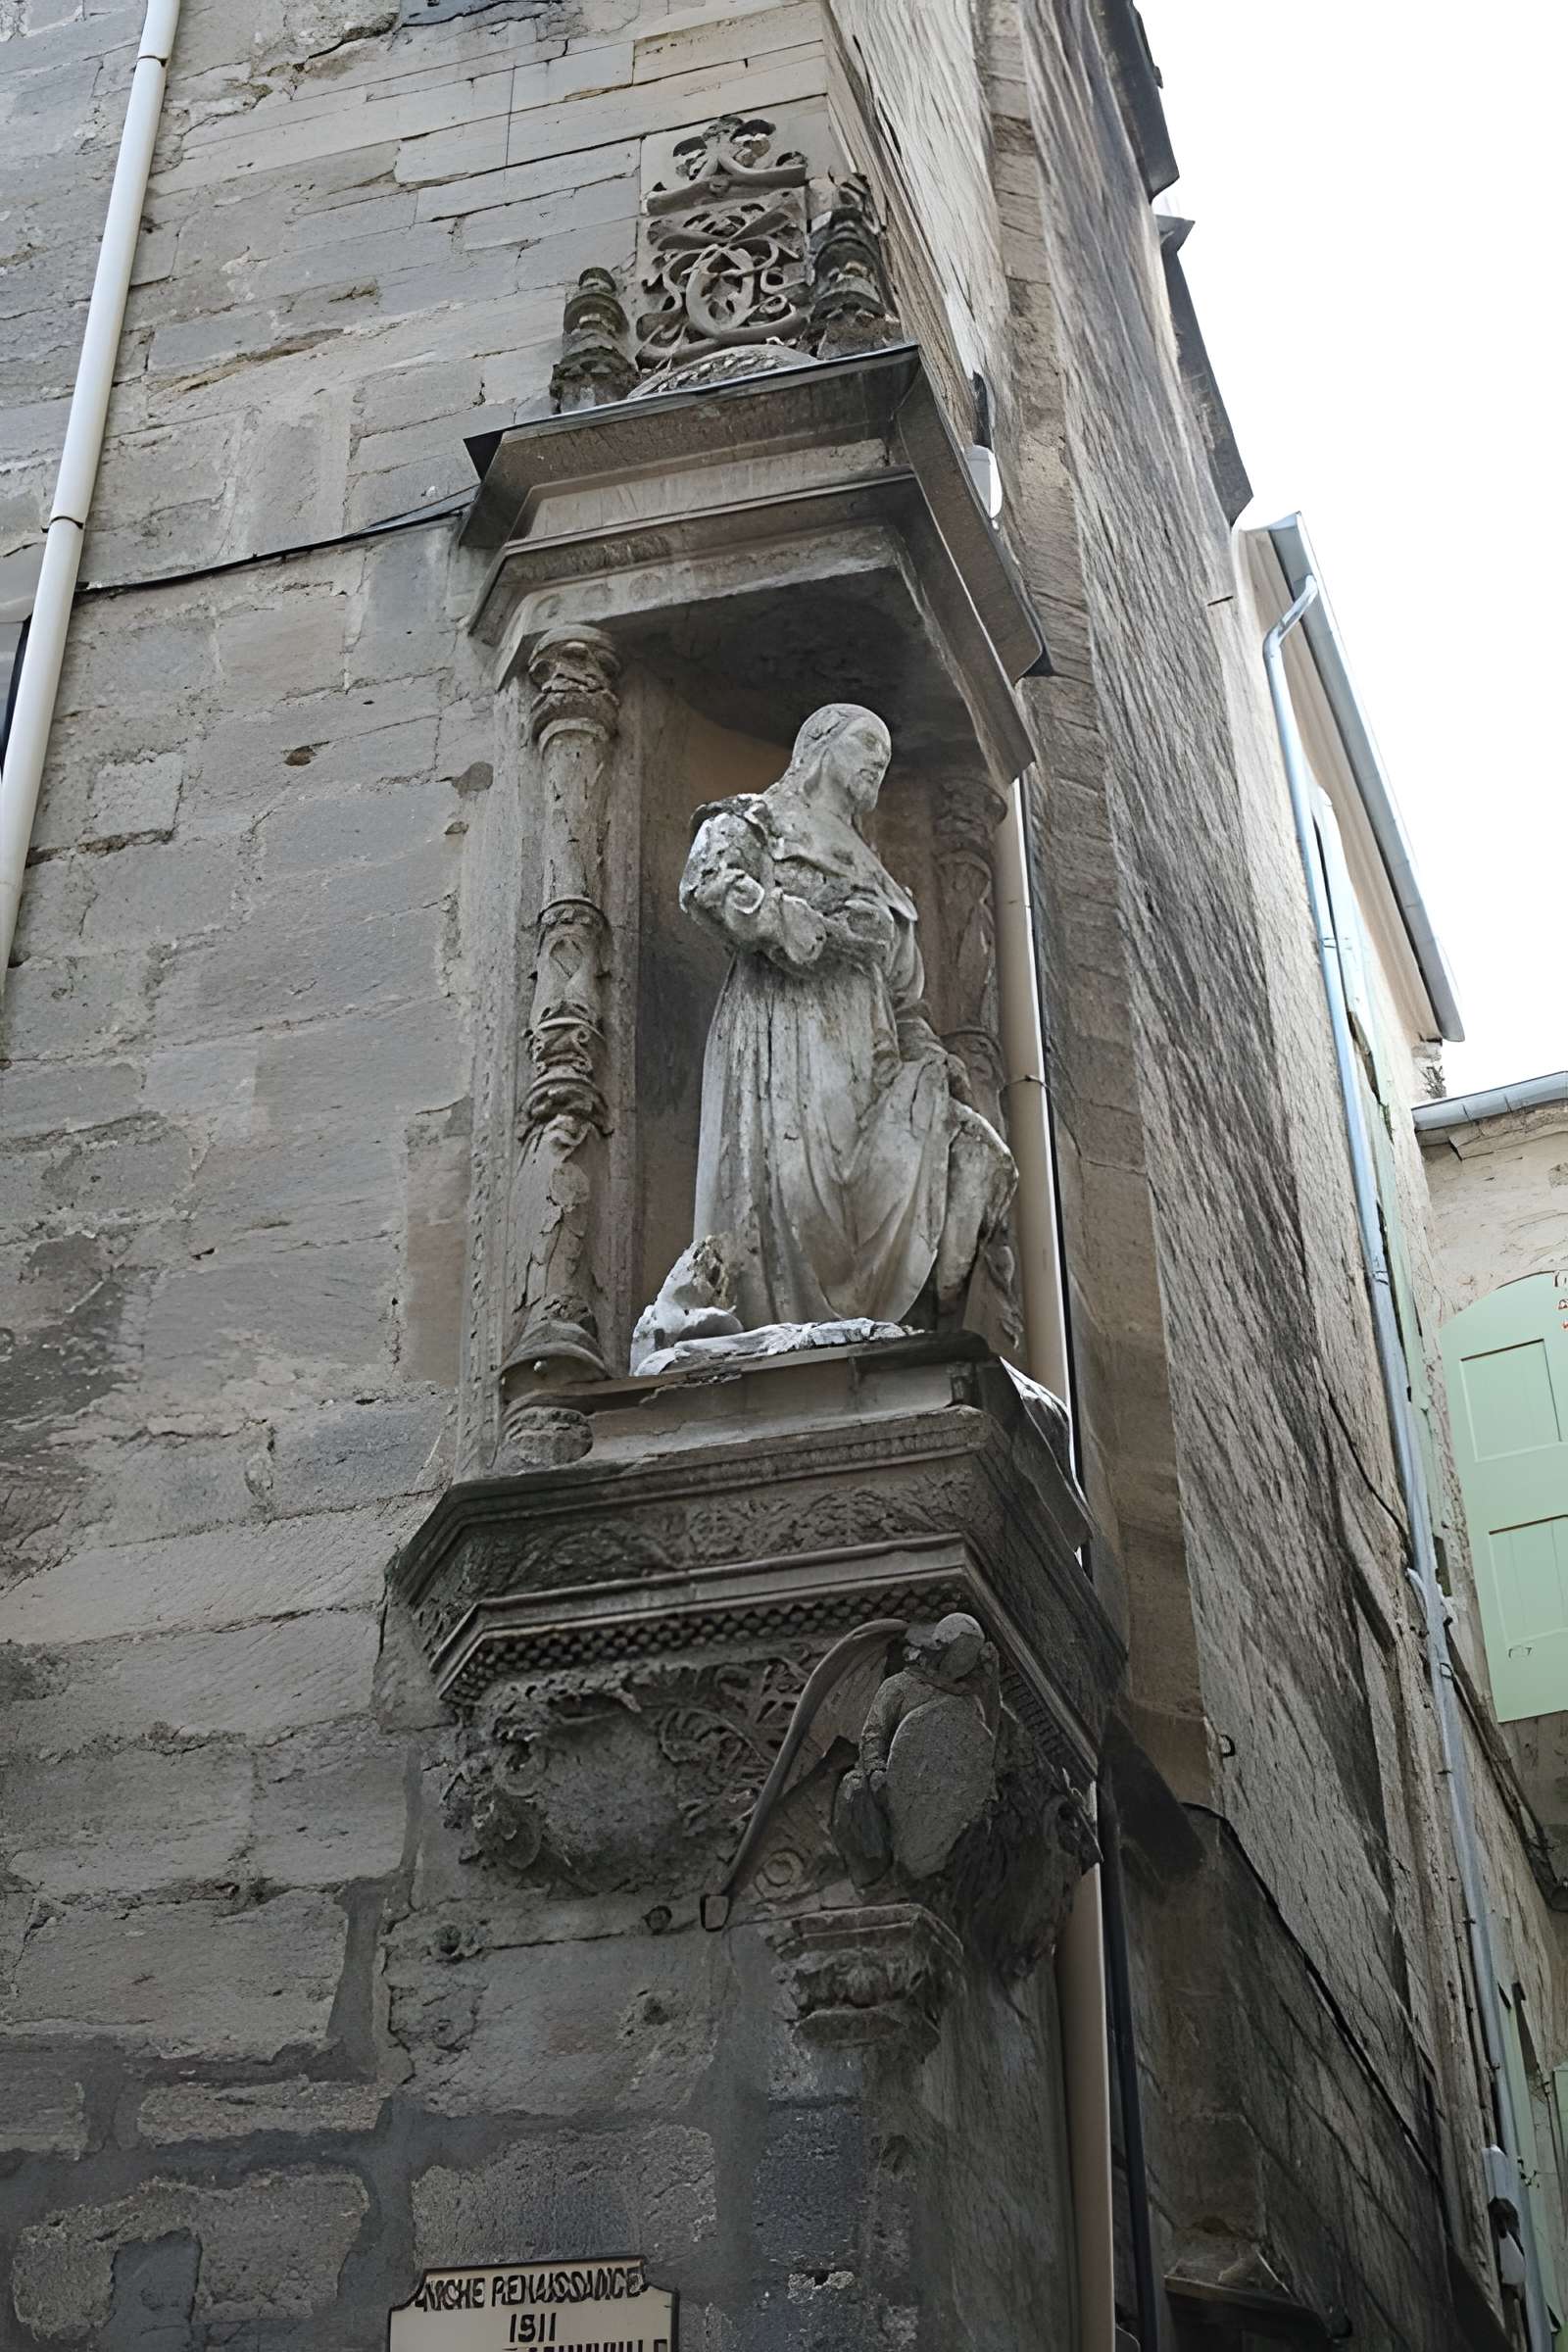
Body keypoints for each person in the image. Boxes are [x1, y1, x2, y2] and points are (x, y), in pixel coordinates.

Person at [678, 702, 1015, 1333]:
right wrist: (802, 926)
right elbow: (708, 883)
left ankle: (909, 1333)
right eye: (865, 746)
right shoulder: (758, 820)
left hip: (874, 1052)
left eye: (885, 758)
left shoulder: (880, 875)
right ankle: (775, 1330)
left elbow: (904, 996)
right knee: (796, 1198)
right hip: (787, 1031)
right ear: (820, 745)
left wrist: (928, 1053)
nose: (877, 764)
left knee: (976, 1154)